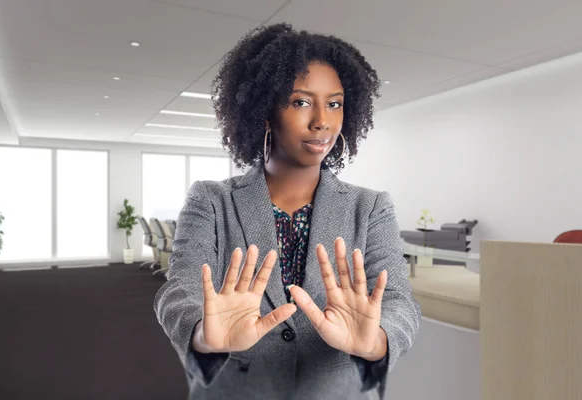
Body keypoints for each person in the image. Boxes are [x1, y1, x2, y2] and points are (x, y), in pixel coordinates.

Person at [154, 22, 421, 400]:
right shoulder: (211, 200)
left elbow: (398, 301)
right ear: (264, 112)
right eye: (301, 102)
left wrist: (377, 340)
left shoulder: (371, 206)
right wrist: (203, 332)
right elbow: (179, 290)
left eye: (334, 103)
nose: (322, 121)